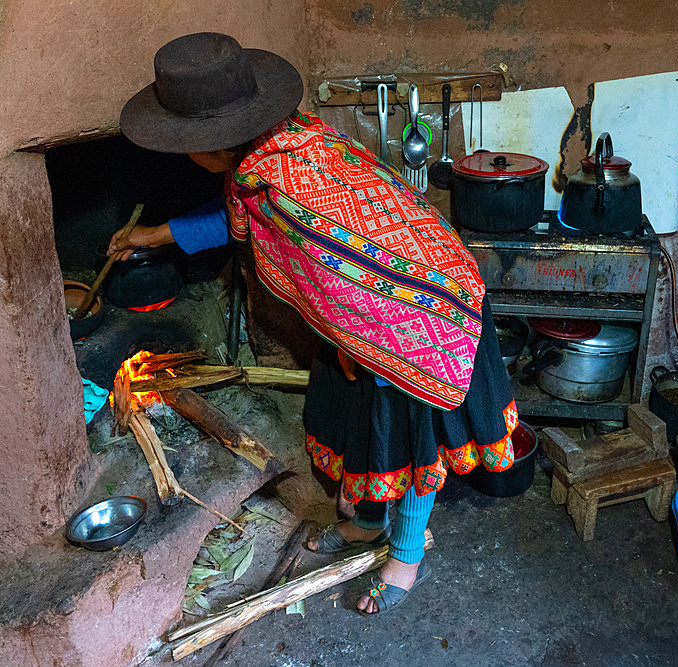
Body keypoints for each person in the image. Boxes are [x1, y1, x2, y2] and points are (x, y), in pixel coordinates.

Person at [111, 32, 518, 615]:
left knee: (404, 439)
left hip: (416, 320)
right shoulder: (286, 144)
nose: (185, 154)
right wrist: (151, 235)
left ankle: (405, 558)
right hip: (374, 314)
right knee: (364, 430)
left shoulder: (278, 185)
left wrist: (362, 341)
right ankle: (366, 525)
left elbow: (332, 264)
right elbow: (235, 221)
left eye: (187, 144)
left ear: (215, 145)